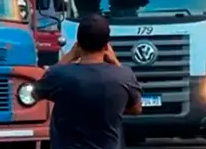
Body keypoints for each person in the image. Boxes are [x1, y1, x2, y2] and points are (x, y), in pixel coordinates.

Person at [34, 13, 143, 149]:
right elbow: (136, 109)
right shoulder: (124, 75)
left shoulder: (59, 75)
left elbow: (35, 91)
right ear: (106, 45)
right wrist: (115, 61)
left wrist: (69, 56)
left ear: (78, 43)